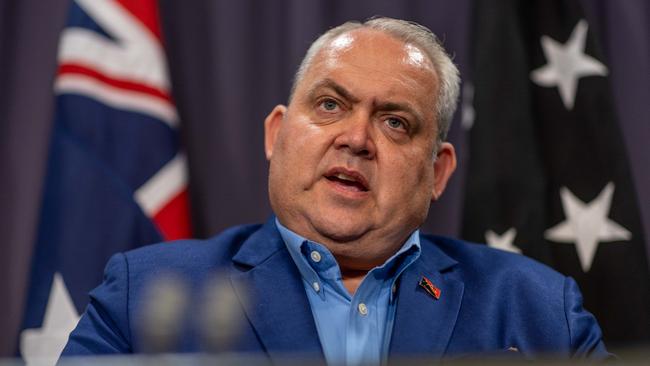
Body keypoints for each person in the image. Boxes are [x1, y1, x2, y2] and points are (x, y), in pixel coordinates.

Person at [62, 17, 609, 364]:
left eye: (396, 122)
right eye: (330, 106)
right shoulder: (148, 294)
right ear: (277, 133)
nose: (356, 139)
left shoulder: (536, 309)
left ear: (438, 172)